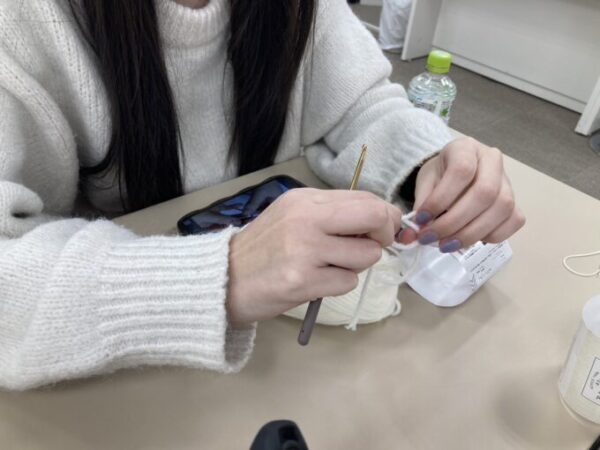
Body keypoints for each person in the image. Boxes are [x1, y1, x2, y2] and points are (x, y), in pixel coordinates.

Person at [0, 0, 524, 390]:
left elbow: (359, 103)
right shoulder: (22, 22)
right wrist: (219, 273)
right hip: (119, 377)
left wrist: (426, 159)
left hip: (296, 375)